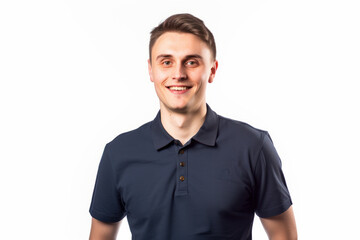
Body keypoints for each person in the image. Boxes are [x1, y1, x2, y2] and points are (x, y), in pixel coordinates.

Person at [89, 13, 297, 240]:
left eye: (191, 62)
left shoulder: (253, 147)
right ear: (151, 70)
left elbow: (283, 235)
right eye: (166, 62)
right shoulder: (118, 153)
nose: (178, 74)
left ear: (212, 70)